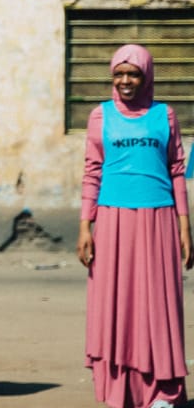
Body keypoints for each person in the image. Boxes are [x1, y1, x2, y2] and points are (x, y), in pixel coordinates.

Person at [78, 44, 190, 408]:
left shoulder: (165, 116)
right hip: (113, 221)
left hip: (158, 220)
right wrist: (85, 225)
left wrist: (184, 226)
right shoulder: (101, 116)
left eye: (133, 73)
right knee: (118, 305)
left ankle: (163, 393)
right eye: (119, 74)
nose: (126, 81)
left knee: (158, 305)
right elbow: (92, 171)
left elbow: (176, 171)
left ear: (146, 77)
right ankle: (119, 390)